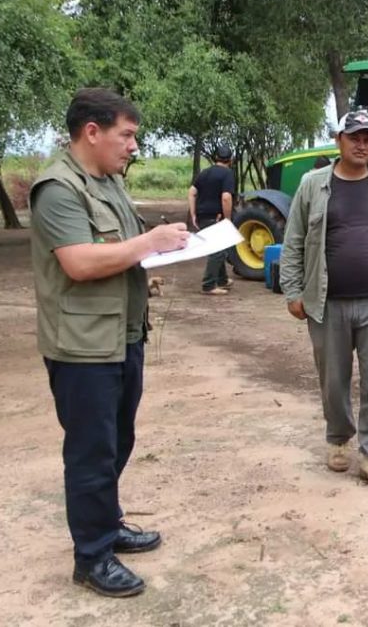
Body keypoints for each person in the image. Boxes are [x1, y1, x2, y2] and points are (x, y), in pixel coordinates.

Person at [30, 88, 190, 597]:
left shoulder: (109, 183)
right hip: (82, 346)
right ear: (92, 132)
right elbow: (78, 262)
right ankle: (91, 557)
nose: (133, 146)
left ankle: (107, 522)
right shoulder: (58, 188)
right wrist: (149, 243)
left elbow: (117, 252)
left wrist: (148, 265)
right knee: (91, 451)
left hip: (122, 334)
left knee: (118, 440)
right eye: (127, 135)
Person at [280, 110, 368, 490]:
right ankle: (339, 439)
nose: (362, 144)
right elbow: (294, 240)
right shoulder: (314, 185)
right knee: (334, 380)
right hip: (328, 303)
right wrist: (293, 290)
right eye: (355, 137)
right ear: (338, 139)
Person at [188, 144, 236, 295]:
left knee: (218, 247)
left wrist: (193, 213)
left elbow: (192, 192)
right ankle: (208, 285)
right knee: (218, 252)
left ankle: (222, 280)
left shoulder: (205, 173)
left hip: (203, 217)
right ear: (231, 160)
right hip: (216, 217)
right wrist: (228, 220)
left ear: (216, 158)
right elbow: (226, 197)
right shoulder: (227, 174)